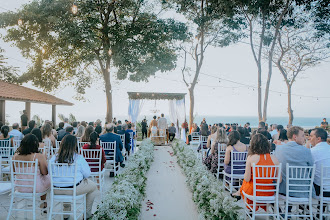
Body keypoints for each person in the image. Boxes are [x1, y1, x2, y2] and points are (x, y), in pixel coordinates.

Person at [49, 135, 97, 219]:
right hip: (73, 189)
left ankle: (66, 214)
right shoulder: (78, 158)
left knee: (65, 183)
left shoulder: (53, 158)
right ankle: (87, 214)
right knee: (93, 187)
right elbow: (87, 174)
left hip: (56, 189)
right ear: (75, 145)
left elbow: (49, 173)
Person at [235, 134, 280, 209]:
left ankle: (248, 204)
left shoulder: (251, 158)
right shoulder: (274, 158)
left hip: (254, 191)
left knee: (246, 181)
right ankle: (239, 193)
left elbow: (247, 178)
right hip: (269, 192)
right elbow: (279, 180)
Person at [275, 126, 315, 198]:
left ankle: (287, 208)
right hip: (303, 191)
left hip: (284, 190)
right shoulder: (306, 150)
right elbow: (312, 171)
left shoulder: (278, 149)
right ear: (294, 137)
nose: (304, 138)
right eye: (302, 136)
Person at [12, 134, 50, 207]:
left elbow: (14, 172)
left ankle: (43, 203)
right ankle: (43, 202)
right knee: (46, 179)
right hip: (35, 188)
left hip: (20, 187)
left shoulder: (15, 156)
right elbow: (45, 172)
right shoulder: (38, 156)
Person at [310, 128, 330, 197]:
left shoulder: (312, 151)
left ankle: (302, 204)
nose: (309, 138)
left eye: (311, 136)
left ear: (318, 139)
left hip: (321, 190)